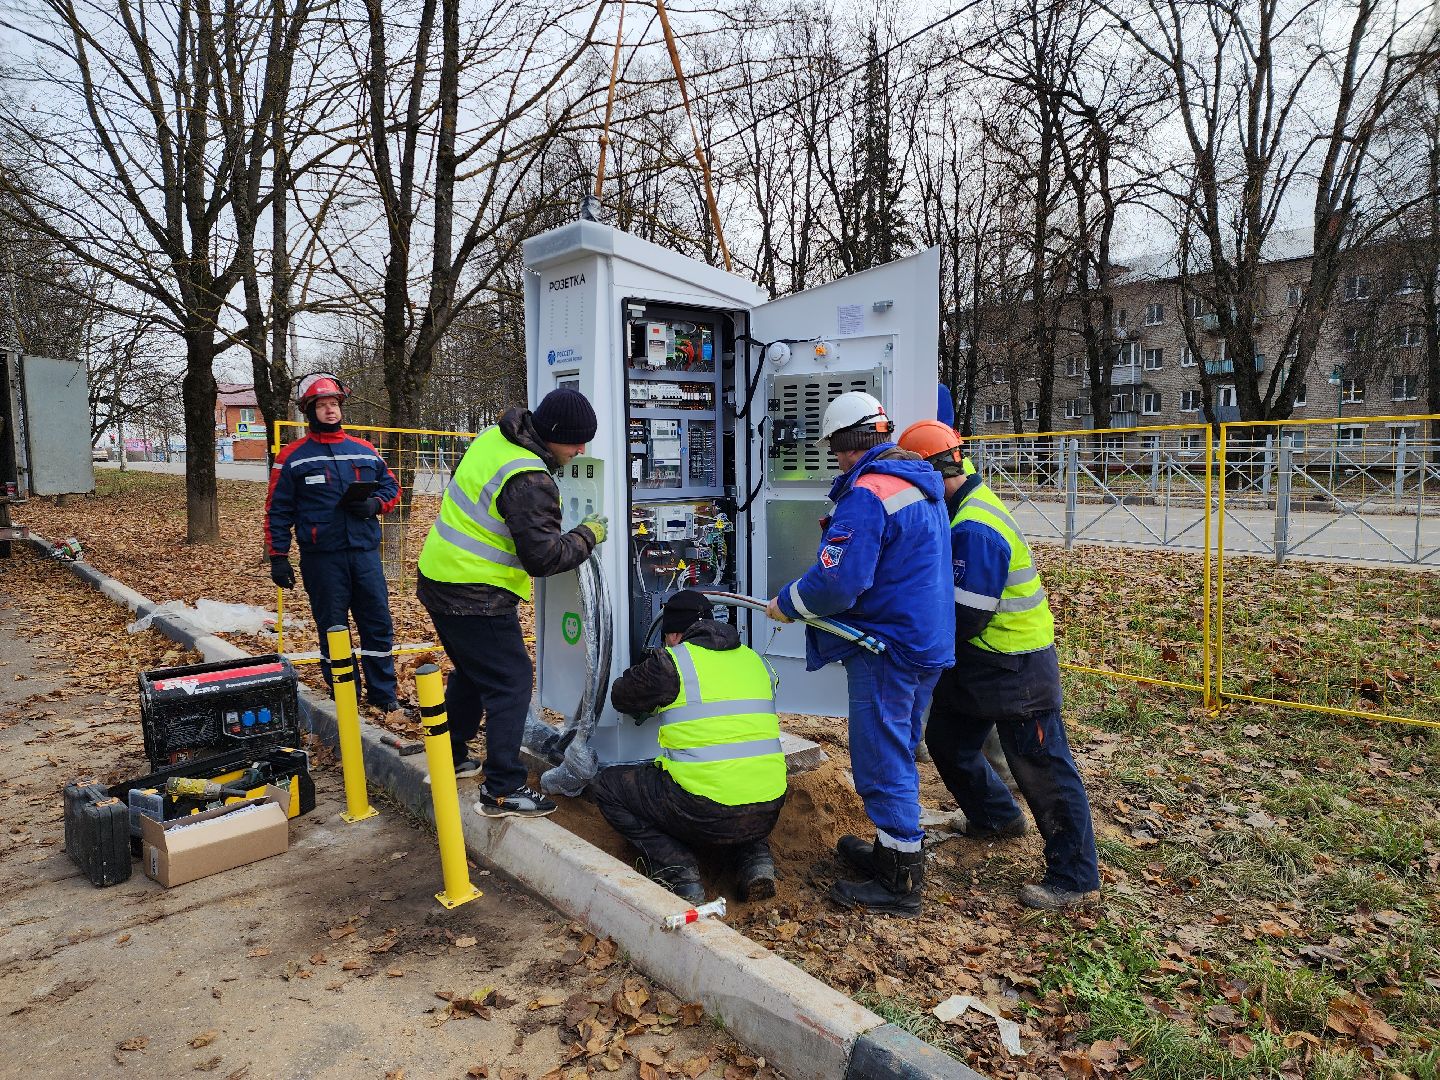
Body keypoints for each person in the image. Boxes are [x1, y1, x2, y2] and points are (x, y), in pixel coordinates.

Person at [896, 419, 1100, 910]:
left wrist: (906, 633)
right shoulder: (959, 505)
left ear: (934, 473)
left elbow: (964, 616)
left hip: (1016, 667)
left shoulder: (975, 528)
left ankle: (1075, 878)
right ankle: (996, 818)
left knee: (1044, 770)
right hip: (982, 665)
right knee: (947, 741)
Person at [766, 391, 954, 918]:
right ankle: (893, 852)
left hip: (887, 648)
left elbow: (839, 582)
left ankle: (899, 884)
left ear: (845, 445)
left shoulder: (868, 494)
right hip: (924, 641)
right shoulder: (917, 481)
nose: (835, 457)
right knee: (898, 747)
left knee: (880, 757)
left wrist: (789, 603)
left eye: (834, 447)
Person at [415, 388, 608, 818]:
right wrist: (588, 535)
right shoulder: (530, 479)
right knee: (511, 680)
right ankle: (502, 789)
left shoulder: (496, 437)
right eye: (575, 443)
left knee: (472, 672)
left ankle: (453, 756)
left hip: (440, 578)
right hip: (473, 594)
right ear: (553, 433)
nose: (580, 451)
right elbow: (542, 557)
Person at [590, 590, 787, 905]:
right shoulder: (756, 661)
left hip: (701, 811)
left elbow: (621, 696)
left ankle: (677, 868)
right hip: (770, 808)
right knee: (743, 783)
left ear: (674, 634)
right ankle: (755, 860)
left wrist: (649, 669)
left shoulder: (672, 662)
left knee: (607, 787)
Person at [265, 374, 405, 714]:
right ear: (309, 411)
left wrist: (374, 505)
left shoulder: (364, 450)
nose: (330, 410)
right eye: (322, 405)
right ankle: (345, 693)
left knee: (377, 622)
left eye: (334, 404)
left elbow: (391, 488)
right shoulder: (292, 456)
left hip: (364, 554)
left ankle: (383, 694)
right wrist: (278, 557)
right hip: (322, 558)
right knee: (332, 625)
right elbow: (277, 509)